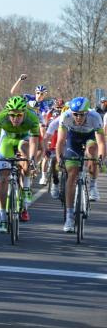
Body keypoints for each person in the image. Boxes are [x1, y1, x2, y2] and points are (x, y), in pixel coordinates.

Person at [0, 96, 40, 231]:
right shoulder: (1, 117)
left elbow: (34, 142)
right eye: (12, 115)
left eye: (19, 115)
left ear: (24, 113)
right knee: (4, 179)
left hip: (24, 140)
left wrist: (33, 160)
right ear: (8, 113)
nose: (15, 118)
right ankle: (3, 218)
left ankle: (26, 187)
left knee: (27, 153)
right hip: (7, 142)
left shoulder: (32, 118)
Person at [55, 97, 106, 232]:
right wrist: (60, 157)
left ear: (87, 113)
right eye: (75, 114)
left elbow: (101, 142)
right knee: (72, 174)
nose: (78, 117)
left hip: (90, 137)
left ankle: (93, 185)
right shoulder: (65, 116)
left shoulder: (95, 117)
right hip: (73, 139)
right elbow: (60, 141)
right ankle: (70, 217)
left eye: (81, 114)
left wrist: (100, 158)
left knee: (92, 152)